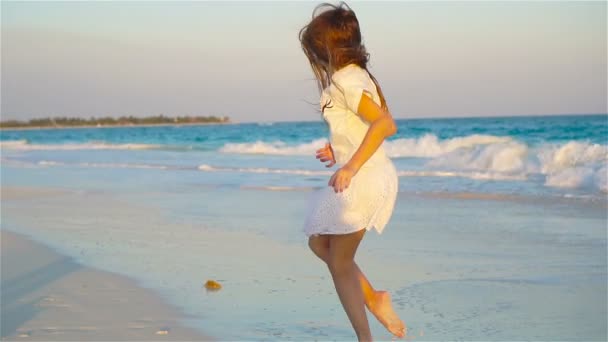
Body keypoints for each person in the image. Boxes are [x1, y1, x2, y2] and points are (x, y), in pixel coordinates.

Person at [300, 2, 406, 341]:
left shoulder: (348, 81)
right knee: (321, 245)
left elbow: (385, 124)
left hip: (365, 179)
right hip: (359, 174)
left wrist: (352, 165)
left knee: (340, 261)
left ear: (325, 51)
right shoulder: (351, 79)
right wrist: (340, 147)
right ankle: (374, 297)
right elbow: (362, 127)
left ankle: (366, 336)